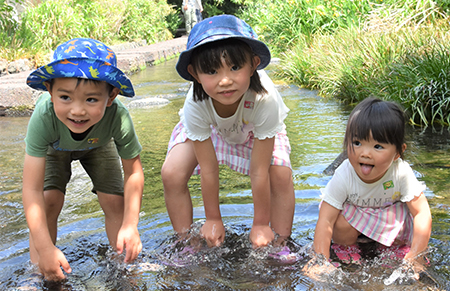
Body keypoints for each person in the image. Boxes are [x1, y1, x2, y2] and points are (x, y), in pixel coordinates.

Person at [161, 14, 295, 249]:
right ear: (194, 74)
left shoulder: (265, 98)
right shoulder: (195, 102)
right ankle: (186, 244)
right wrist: (213, 219)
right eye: (212, 71)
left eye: (235, 67)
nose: (225, 81)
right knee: (172, 172)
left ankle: (280, 243)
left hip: (255, 131)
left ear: (253, 64)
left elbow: (259, 170)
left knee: (281, 175)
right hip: (211, 130)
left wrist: (261, 223)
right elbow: (209, 168)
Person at [23, 38, 144, 281]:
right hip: (55, 146)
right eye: (65, 97)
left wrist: (131, 225)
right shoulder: (44, 116)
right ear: (50, 90)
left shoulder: (117, 117)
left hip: (99, 144)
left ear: (111, 97)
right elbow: (31, 189)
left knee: (114, 202)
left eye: (91, 99)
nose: (77, 111)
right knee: (49, 201)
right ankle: (38, 271)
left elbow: (134, 172)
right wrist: (46, 249)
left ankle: (124, 264)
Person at [309, 97, 432, 276]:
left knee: (405, 218)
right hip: (354, 222)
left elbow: (422, 213)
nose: (365, 153)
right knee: (339, 220)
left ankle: (390, 249)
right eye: (357, 143)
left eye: (377, 146)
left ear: (398, 152)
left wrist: (417, 254)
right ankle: (347, 249)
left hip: (386, 220)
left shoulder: (401, 173)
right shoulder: (345, 173)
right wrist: (319, 260)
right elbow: (326, 219)